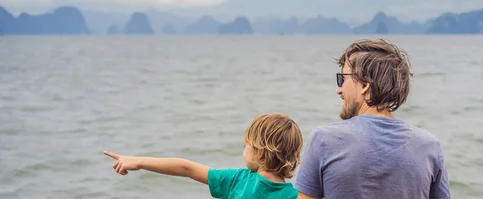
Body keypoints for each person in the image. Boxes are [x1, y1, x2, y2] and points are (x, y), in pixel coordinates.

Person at [294, 39, 451, 199]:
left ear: (364, 86)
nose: (339, 89)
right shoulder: (430, 147)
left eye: (342, 79)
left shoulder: (323, 140)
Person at [104, 113, 304, 199]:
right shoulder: (296, 196)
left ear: (259, 152)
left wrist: (139, 161)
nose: (243, 150)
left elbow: (186, 168)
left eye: (246, 145)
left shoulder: (238, 180)